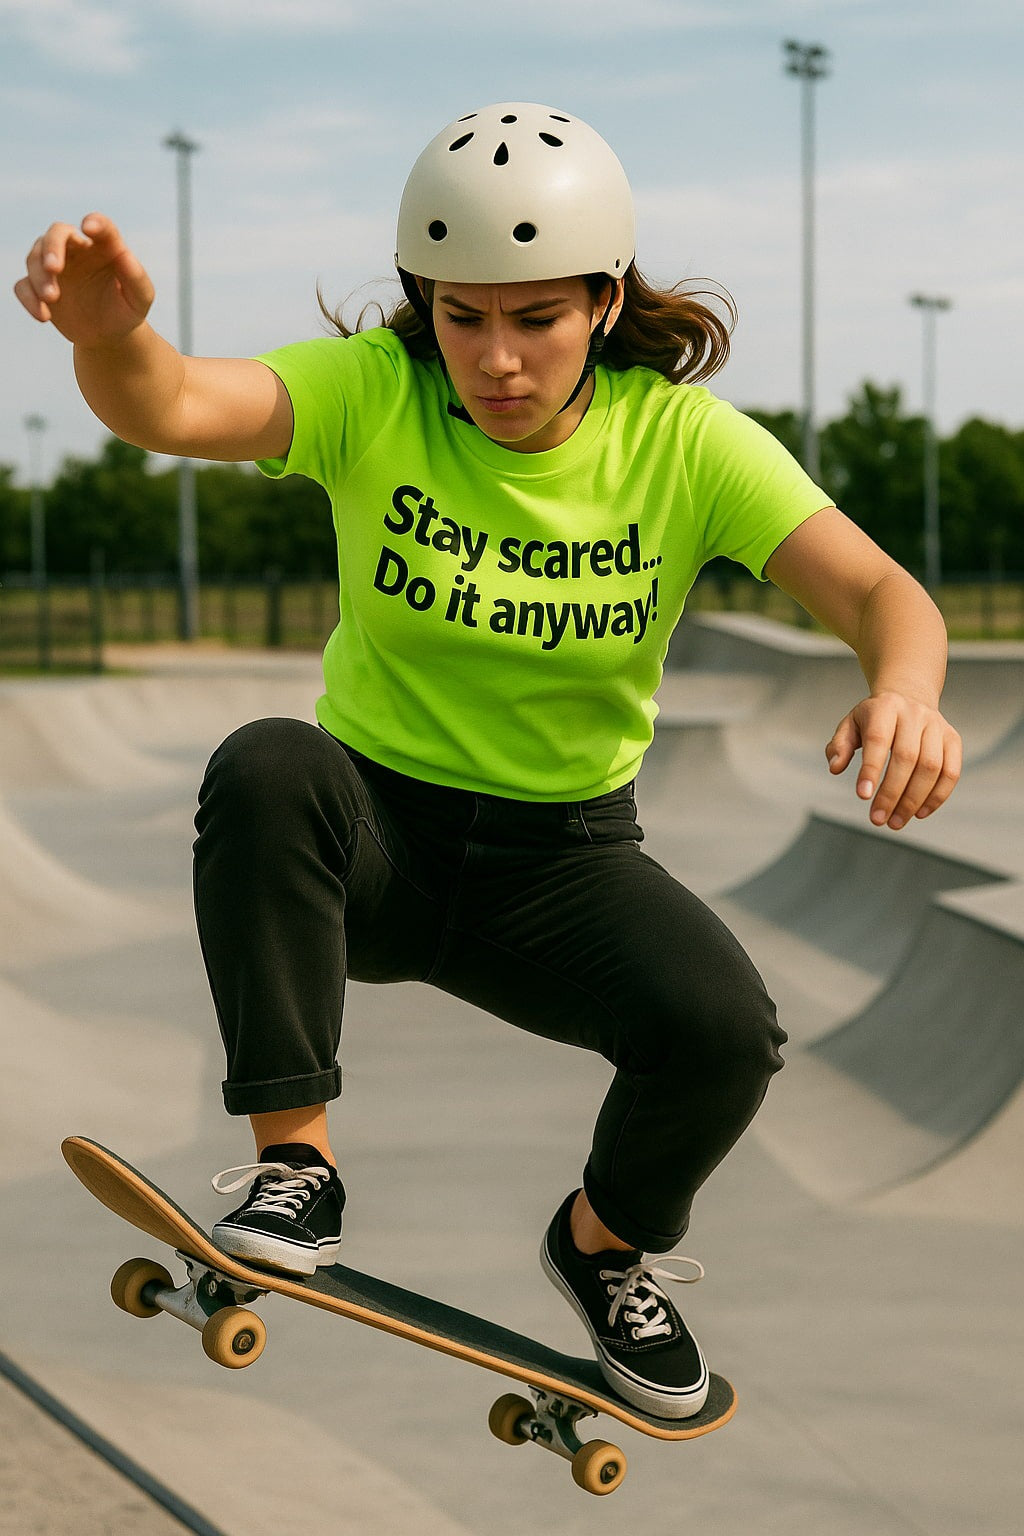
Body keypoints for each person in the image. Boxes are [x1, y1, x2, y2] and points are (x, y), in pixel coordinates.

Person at [16, 101, 962, 1421]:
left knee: (722, 1035)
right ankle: (298, 1171)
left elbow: (878, 590)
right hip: (372, 843)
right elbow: (174, 403)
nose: (496, 359)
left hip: (563, 867)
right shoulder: (374, 395)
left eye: (537, 318)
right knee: (269, 764)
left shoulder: (684, 446)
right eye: (463, 316)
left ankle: (604, 1246)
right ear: (424, 302)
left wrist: (906, 690)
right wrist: (114, 340)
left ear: (605, 297)